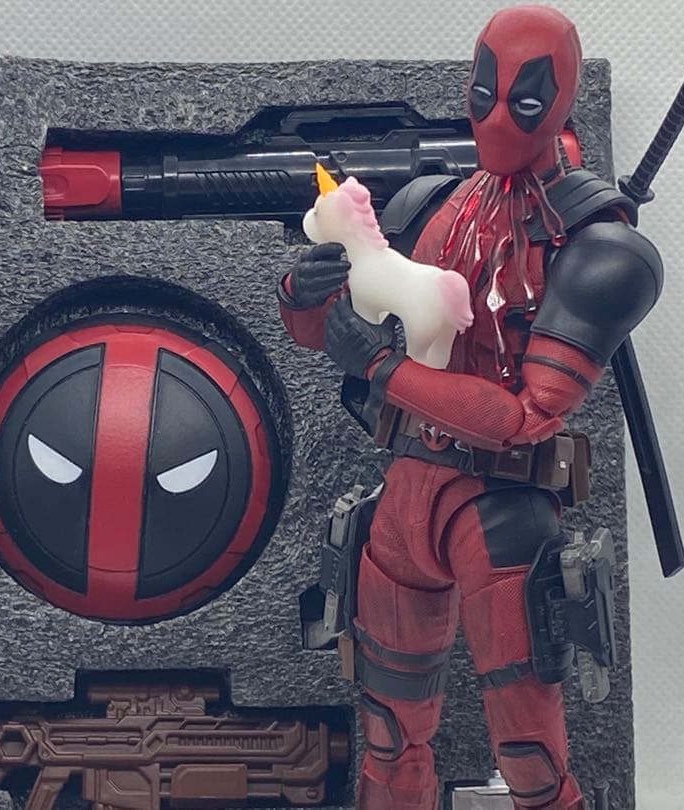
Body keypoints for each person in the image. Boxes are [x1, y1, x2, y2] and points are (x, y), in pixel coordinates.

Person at [277, 6, 663, 809]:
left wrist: (380, 367)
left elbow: (526, 417)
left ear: (559, 104)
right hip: (407, 498)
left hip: (501, 509)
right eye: (483, 95)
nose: (495, 119)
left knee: (528, 755)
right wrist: (303, 295)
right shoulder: (434, 204)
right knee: (388, 738)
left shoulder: (598, 247)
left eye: (524, 102)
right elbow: (330, 327)